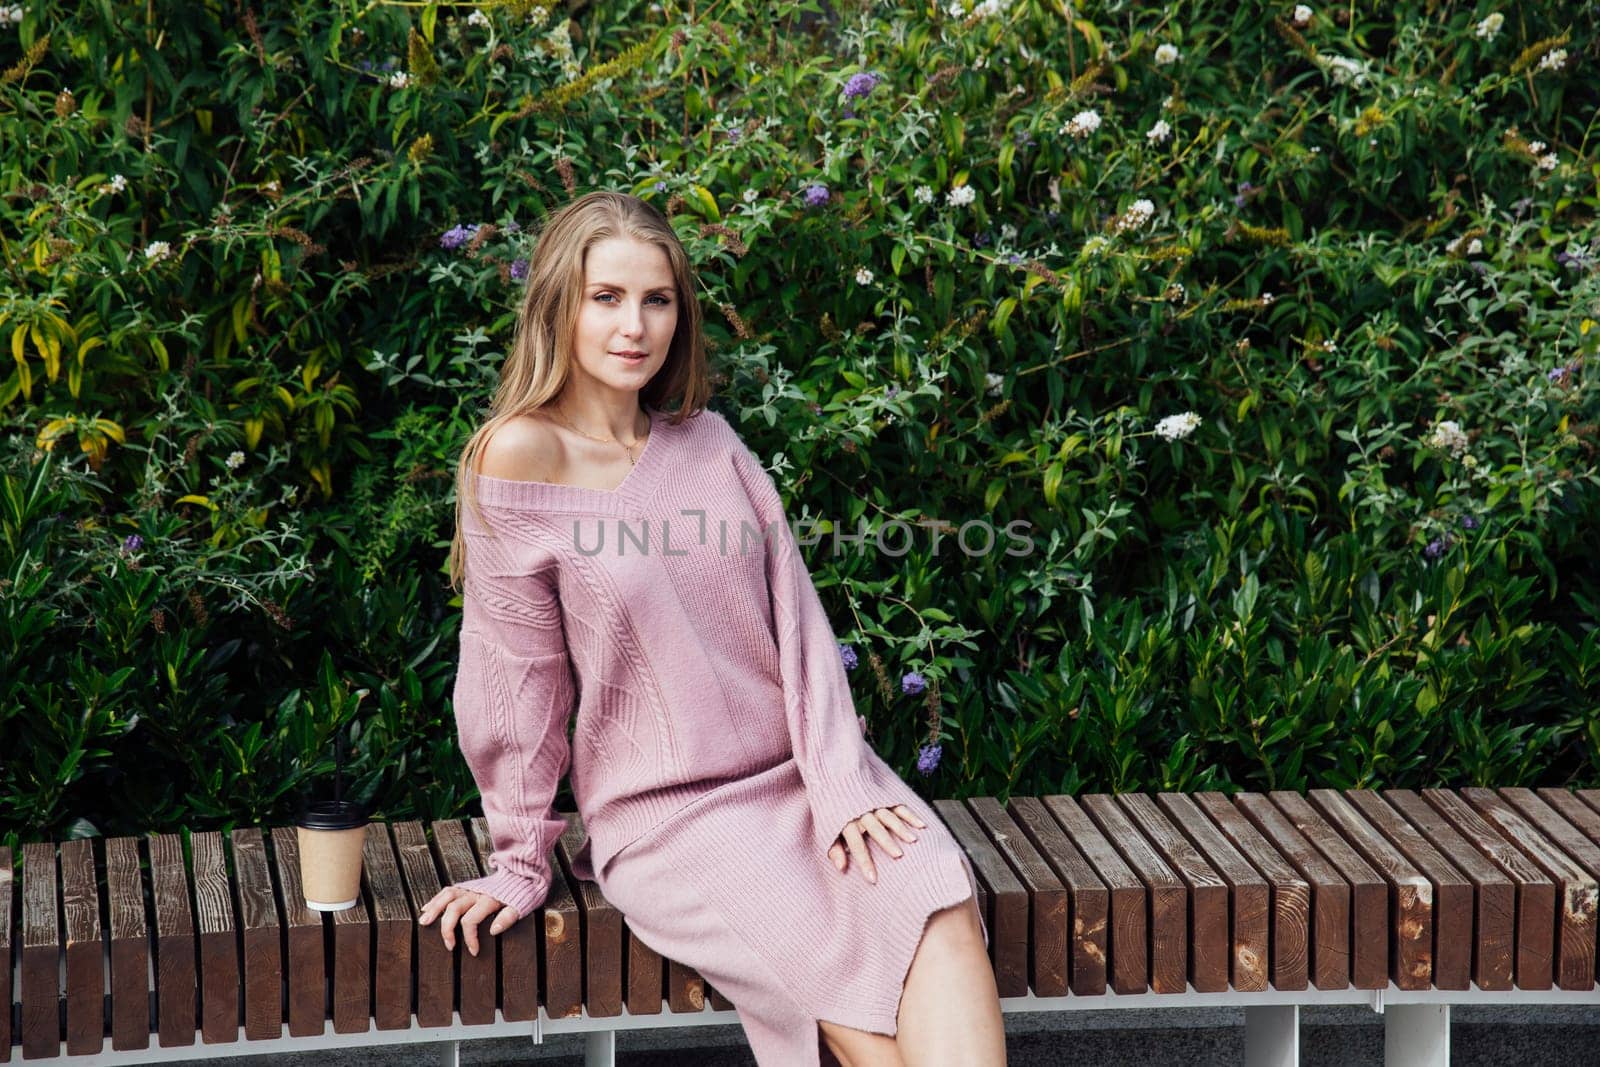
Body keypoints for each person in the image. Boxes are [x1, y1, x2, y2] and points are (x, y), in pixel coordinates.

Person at [417, 191, 1005, 1066]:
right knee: (863, 1022)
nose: (635, 325)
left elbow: (797, 619)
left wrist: (844, 782)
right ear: (558, 306)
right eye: (606, 297)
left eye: (657, 300)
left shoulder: (710, 442)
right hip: (672, 817)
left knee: (937, 898)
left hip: (804, 775)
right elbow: (514, 682)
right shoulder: (517, 456)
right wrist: (521, 854)